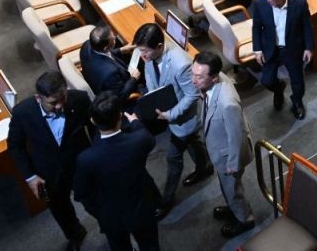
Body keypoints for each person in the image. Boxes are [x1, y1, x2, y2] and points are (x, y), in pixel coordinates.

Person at [134, 23, 212, 218]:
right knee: (193, 142)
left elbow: (193, 94)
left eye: (145, 51)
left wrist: (170, 115)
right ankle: (205, 167)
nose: (142, 55)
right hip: (169, 114)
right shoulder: (150, 56)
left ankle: (166, 200)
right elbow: (152, 80)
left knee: (173, 158)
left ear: (159, 46)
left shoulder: (180, 63)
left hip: (183, 118)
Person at [8, 72, 91, 250]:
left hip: (81, 166)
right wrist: (30, 177)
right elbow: (15, 146)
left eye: (63, 99)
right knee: (61, 210)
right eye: (53, 102)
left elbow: (95, 127)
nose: (60, 106)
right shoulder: (23, 113)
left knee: (95, 201)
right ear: (38, 98)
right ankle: (75, 234)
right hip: (49, 174)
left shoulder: (80, 99)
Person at [74, 92, 160, 251]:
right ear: (120, 116)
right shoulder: (140, 139)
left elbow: (82, 194)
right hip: (142, 208)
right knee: (150, 246)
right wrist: (135, 122)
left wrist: (100, 213)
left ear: (93, 121)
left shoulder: (86, 159)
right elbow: (148, 138)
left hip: (111, 217)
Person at [191, 52, 256, 237]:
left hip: (229, 157)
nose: (193, 80)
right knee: (228, 188)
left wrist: (233, 164)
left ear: (213, 78)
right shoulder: (214, 79)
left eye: (199, 77)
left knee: (233, 189)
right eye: (193, 73)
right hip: (219, 149)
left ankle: (245, 219)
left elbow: (237, 137)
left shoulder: (228, 104)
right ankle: (233, 208)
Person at [251, 0, 314, 120]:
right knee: (267, 80)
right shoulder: (260, 3)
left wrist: (309, 47)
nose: (267, 0)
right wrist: (257, 50)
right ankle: (278, 89)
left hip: (292, 48)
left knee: (297, 81)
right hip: (270, 48)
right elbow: (256, 27)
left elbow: (307, 25)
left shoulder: (299, 2)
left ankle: (297, 101)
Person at [79, 26, 141, 104]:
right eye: (113, 38)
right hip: (123, 92)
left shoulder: (87, 45)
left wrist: (121, 50)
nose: (115, 37)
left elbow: (103, 54)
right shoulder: (110, 74)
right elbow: (120, 96)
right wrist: (133, 79)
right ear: (105, 48)